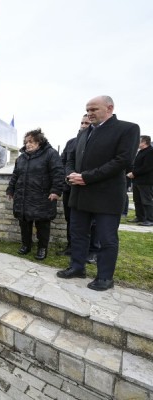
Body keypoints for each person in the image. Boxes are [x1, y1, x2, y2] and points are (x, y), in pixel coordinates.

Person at [57, 95, 140, 291]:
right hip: (80, 194)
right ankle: (77, 267)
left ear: (109, 108)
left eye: (94, 109)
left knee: (106, 238)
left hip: (106, 196)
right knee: (77, 233)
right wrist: (70, 174)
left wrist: (86, 177)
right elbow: (70, 158)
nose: (89, 113)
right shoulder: (84, 133)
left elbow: (122, 161)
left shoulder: (127, 129)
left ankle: (104, 277)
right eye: (87, 110)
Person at [6, 129, 64, 260]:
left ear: (39, 142)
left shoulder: (50, 154)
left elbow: (58, 173)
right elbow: (15, 175)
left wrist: (56, 191)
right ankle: (26, 245)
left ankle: (42, 248)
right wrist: (10, 190)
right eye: (26, 142)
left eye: (31, 142)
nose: (28, 144)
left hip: (42, 196)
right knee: (24, 223)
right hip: (23, 196)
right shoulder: (21, 158)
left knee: (42, 224)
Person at [58, 115, 101, 263]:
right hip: (71, 188)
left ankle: (94, 250)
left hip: (90, 188)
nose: (83, 125)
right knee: (71, 219)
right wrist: (69, 176)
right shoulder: (71, 143)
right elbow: (63, 162)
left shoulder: (98, 141)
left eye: (87, 123)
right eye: (82, 122)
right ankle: (72, 246)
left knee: (93, 222)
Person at [127, 135, 153, 226]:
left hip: (146, 181)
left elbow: (147, 167)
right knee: (137, 200)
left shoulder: (150, 151)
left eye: (139, 141)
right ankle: (140, 217)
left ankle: (150, 219)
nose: (137, 143)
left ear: (145, 142)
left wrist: (134, 173)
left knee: (146, 200)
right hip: (137, 180)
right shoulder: (141, 151)